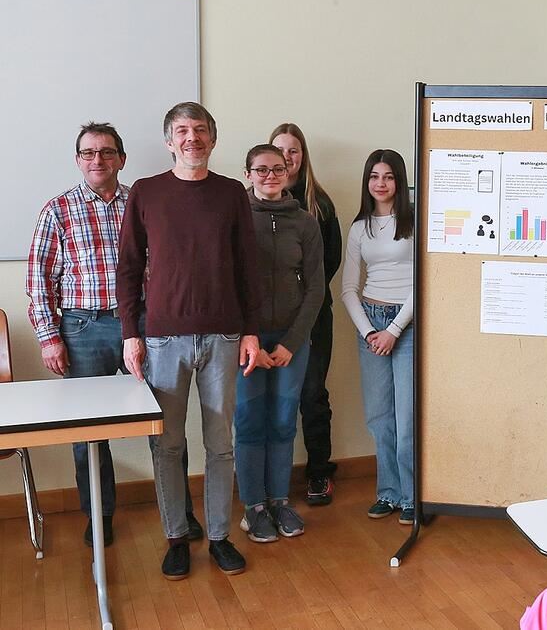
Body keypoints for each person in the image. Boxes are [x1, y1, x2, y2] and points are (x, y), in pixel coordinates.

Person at [26, 122, 201, 547]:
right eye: (88, 153)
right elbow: (38, 278)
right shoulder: (58, 209)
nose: (97, 160)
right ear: (78, 160)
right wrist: (50, 337)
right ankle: (99, 516)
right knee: (89, 430)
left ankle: (178, 513)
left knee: (163, 424)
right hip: (82, 329)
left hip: (145, 324)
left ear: (121, 159)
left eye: (106, 152)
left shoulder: (144, 202)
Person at [117, 102, 260, 580]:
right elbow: (129, 270)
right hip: (162, 340)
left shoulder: (232, 194)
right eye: (182, 131)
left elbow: (247, 269)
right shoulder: (146, 192)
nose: (191, 138)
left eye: (200, 130)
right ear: (168, 140)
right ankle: (177, 537)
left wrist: (253, 332)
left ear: (212, 139)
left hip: (223, 336)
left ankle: (219, 536)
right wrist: (130, 335)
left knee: (220, 445)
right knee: (169, 446)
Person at [235, 144, 324, 543]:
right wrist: (248, 338)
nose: (270, 175)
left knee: (284, 422)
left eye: (278, 168)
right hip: (245, 342)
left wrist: (292, 342)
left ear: (289, 171)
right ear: (248, 174)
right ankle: (254, 506)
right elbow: (229, 284)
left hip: (292, 341)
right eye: (261, 170)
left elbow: (317, 288)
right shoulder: (236, 218)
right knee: (251, 422)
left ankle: (278, 501)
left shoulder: (305, 222)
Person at [341, 149, 415, 525]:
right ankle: (388, 493)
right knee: (379, 417)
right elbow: (348, 288)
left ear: (399, 182)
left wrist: (394, 329)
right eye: (374, 176)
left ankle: (411, 496)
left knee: (407, 419)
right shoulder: (359, 228)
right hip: (371, 322)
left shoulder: (415, 220)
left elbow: (423, 280)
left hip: (407, 324)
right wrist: (371, 331)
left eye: (388, 176)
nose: (380, 183)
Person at [270, 123, 342, 506]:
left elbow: (330, 265)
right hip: (270, 321)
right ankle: (271, 480)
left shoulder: (321, 205)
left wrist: (302, 303)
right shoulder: (254, 202)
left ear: (303, 156)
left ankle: (319, 474)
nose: (286, 158)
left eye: (293, 151)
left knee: (312, 395)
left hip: (314, 317)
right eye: (279, 150)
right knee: (273, 399)